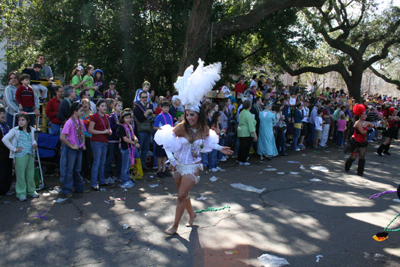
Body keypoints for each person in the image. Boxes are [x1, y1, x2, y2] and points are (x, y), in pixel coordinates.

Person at [154, 60, 232, 235]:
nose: (189, 117)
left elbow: (210, 143)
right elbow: (166, 143)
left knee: (180, 196)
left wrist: (220, 149)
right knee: (184, 195)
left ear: (199, 115)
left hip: (193, 165)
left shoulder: (204, 129)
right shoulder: (180, 128)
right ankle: (192, 215)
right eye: (187, 114)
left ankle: (175, 226)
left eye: (192, 115)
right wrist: (172, 161)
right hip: (177, 164)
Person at [2, 113, 38, 201]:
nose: (20, 122)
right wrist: (13, 149)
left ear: (28, 121)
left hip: (29, 154)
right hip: (20, 155)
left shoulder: (31, 130)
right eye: (19, 120)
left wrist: (34, 144)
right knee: (21, 175)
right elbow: (4, 139)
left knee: (30, 174)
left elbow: (33, 140)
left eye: (23, 120)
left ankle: (31, 191)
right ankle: (21, 193)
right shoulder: (15, 130)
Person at [59, 103, 89, 197]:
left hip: (79, 148)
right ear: (75, 111)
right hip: (71, 149)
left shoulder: (80, 121)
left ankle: (79, 188)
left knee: (77, 169)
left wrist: (83, 144)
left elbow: (83, 133)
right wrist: (71, 146)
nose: (82, 112)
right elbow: (62, 137)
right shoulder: (69, 122)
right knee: (69, 170)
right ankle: (67, 190)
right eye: (80, 111)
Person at [345, 104, 377, 176]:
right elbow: (363, 132)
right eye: (362, 114)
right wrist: (371, 130)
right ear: (359, 115)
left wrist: (385, 129)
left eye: (365, 114)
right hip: (355, 141)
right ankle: (347, 165)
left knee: (362, 156)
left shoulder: (367, 123)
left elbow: (375, 126)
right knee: (353, 157)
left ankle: (360, 172)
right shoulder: (357, 123)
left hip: (362, 141)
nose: (364, 115)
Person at [88, 100, 111, 190]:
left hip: (105, 141)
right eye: (102, 106)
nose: (104, 107)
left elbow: (108, 128)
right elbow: (90, 130)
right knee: (96, 162)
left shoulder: (107, 116)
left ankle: (102, 180)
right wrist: (103, 132)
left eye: (105, 106)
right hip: (96, 142)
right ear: (97, 107)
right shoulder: (94, 117)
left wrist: (109, 131)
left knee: (102, 163)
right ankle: (94, 183)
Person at [56, 86, 77, 185]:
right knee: (64, 155)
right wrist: (66, 123)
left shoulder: (70, 103)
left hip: (71, 131)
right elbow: (59, 115)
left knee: (69, 155)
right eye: (74, 91)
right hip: (65, 130)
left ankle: (68, 177)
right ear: (69, 93)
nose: (76, 93)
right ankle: (63, 178)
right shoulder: (65, 102)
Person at [117, 110, 139, 188]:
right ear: (123, 118)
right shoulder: (121, 127)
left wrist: (135, 138)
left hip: (130, 148)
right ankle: (124, 181)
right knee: (125, 165)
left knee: (128, 165)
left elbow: (133, 134)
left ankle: (126, 179)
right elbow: (125, 139)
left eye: (129, 118)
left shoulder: (129, 126)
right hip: (125, 148)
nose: (128, 119)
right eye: (126, 118)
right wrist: (134, 143)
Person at [134, 91, 155, 171]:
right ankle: (137, 167)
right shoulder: (137, 107)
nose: (145, 99)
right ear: (140, 98)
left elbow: (153, 117)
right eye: (143, 97)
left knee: (145, 149)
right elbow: (140, 119)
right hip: (141, 131)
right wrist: (147, 113)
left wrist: (152, 113)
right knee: (139, 149)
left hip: (148, 130)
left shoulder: (150, 105)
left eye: (146, 97)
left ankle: (143, 166)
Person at [153, 102, 174, 178]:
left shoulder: (170, 116)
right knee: (160, 155)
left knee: (166, 154)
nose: (166, 109)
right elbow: (155, 127)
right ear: (161, 108)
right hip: (161, 138)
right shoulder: (159, 116)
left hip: (168, 138)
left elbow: (172, 126)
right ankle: (159, 170)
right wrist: (163, 129)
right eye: (164, 107)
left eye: (167, 107)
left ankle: (164, 170)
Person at [104, 101, 123, 181]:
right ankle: (107, 174)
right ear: (114, 107)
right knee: (110, 157)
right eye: (118, 106)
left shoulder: (122, 116)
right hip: (112, 139)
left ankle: (118, 174)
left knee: (119, 157)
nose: (120, 107)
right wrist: (117, 124)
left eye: (121, 106)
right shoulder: (111, 117)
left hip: (119, 140)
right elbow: (110, 127)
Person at [237, 100, 257, 165]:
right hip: (246, 132)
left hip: (240, 131)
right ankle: (243, 160)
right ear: (249, 106)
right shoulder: (248, 114)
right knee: (246, 147)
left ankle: (239, 159)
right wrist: (254, 134)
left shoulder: (242, 112)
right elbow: (251, 125)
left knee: (241, 146)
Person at [0, 108, 13, 196]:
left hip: (9, 153)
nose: (2, 115)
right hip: (1, 154)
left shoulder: (7, 125)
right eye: (0, 113)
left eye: (4, 113)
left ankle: (6, 189)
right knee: (2, 173)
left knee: (8, 172)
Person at [80, 98, 93, 180]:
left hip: (90, 137)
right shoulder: (80, 115)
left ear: (89, 105)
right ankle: (83, 173)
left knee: (91, 155)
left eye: (86, 103)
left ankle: (91, 173)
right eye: (83, 103)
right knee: (83, 156)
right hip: (82, 137)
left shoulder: (92, 115)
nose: (85, 105)